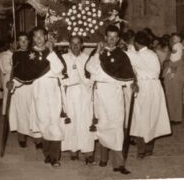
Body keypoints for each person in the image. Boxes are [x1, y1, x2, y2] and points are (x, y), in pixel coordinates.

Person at [86, 25, 136, 174]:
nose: (112, 40)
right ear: (105, 37)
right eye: (109, 37)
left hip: (115, 94)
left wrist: (133, 85)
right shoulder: (98, 52)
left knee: (116, 128)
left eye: (115, 37)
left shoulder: (122, 55)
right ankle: (103, 158)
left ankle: (118, 164)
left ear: (118, 38)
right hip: (100, 93)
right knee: (102, 126)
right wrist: (97, 53)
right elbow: (90, 68)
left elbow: (128, 75)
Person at [126, 31, 171, 159]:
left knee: (140, 118)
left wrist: (127, 45)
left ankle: (141, 150)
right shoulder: (152, 53)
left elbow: (125, 55)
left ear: (136, 43)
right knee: (151, 117)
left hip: (145, 87)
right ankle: (149, 148)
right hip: (155, 87)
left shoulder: (139, 55)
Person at [29, 27, 65, 167]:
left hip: (53, 91)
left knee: (55, 123)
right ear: (33, 38)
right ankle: (47, 154)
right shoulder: (29, 54)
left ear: (46, 37)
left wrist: (50, 52)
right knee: (43, 121)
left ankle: (55, 156)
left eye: (41, 36)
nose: (38, 39)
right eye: (35, 36)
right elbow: (25, 72)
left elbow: (59, 69)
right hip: (39, 91)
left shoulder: (53, 52)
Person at [61, 35, 95, 163]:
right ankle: (73, 149)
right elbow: (60, 77)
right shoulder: (63, 58)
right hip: (70, 94)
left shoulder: (88, 59)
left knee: (85, 122)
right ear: (69, 45)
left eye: (78, 43)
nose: (75, 46)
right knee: (72, 122)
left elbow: (92, 76)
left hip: (84, 94)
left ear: (82, 45)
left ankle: (88, 152)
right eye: (72, 43)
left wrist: (85, 81)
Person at [164, 33, 184, 124]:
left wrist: (171, 64)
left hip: (177, 76)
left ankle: (177, 118)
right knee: (169, 95)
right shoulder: (171, 50)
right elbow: (165, 62)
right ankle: (171, 116)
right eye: (171, 40)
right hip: (169, 75)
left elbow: (177, 62)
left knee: (177, 96)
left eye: (173, 40)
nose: (171, 42)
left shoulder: (180, 49)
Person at [0, 39, 15, 115]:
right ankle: (6, 113)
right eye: (15, 42)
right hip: (9, 76)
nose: (17, 44)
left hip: (16, 77)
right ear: (11, 44)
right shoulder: (5, 55)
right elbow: (6, 68)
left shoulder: (17, 53)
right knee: (7, 95)